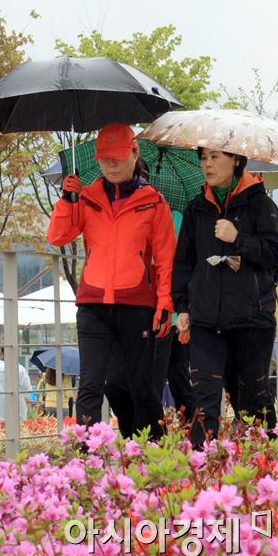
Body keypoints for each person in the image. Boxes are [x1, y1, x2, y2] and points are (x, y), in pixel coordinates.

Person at [47, 123, 176, 440]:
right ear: (97, 159)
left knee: (140, 384)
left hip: (137, 305)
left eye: (118, 157)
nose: (112, 165)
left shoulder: (154, 202)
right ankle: (84, 460)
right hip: (93, 304)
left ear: (134, 153)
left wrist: (165, 303)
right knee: (91, 383)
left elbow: (165, 259)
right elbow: (58, 236)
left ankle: (149, 448)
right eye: (105, 159)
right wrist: (67, 200)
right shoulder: (85, 197)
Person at [172, 146, 278, 447]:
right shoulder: (197, 208)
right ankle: (201, 467)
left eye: (215, 157)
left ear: (236, 160)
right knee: (205, 397)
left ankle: (267, 454)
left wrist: (239, 240)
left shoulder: (261, 205)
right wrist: (182, 307)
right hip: (206, 321)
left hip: (252, 319)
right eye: (203, 158)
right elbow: (184, 263)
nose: (207, 165)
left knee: (252, 398)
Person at [0, 348, 32, 421]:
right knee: (18, 429)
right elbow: (27, 389)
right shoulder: (20, 369)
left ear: (2, 352)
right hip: (17, 409)